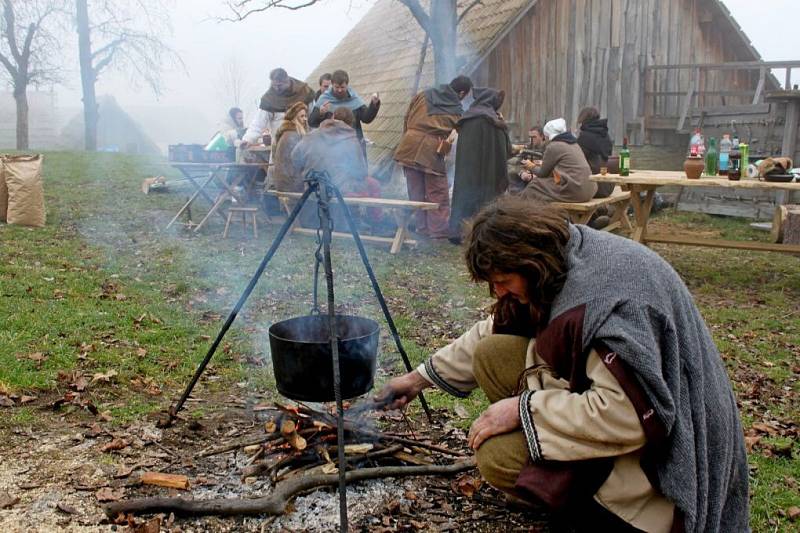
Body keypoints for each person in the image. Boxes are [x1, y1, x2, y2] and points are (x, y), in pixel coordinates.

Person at [378, 196, 749, 533]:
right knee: (492, 354)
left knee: (497, 457)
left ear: (529, 262)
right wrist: (416, 379)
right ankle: (564, 481)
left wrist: (524, 409)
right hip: (628, 407)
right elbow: (489, 330)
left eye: (504, 280)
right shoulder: (564, 257)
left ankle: (593, 509)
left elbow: (629, 417)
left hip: (667, 459)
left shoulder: (602, 303)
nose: (499, 292)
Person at [394, 75, 473, 239]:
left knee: (415, 192)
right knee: (437, 193)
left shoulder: (424, 94)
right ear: (462, 93)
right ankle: (438, 232)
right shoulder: (457, 109)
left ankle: (422, 229)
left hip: (408, 146)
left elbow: (406, 117)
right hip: (430, 151)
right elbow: (462, 131)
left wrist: (407, 138)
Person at [449, 88, 511, 244]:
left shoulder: (467, 119)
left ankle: (460, 232)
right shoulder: (496, 122)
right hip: (489, 172)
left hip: (467, 171)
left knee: (466, 196)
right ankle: (484, 234)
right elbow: (507, 150)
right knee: (487, 198)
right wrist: (504, 125)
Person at [519, 118, 597, 203]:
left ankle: (521, 211)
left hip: (576, 191)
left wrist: (531, 166)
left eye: (546, 136)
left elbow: (542, 174)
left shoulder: (553, 146)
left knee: (534, 185)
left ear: (548, 135)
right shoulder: (574, 144)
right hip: (590, 189)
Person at [308, 69, 380, 152]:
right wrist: (320, 113)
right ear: (332, 85)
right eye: (336, 87)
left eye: (342, 87)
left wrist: (374, 104)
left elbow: (366, 118)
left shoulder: (354, 98)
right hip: (331, 149)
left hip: (354, 147)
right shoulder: (324, 99)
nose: (339, 90)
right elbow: (311, 122)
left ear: (347, 85)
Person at [241, 68, 315, 148]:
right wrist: (248, 139)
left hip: (302, 144)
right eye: (274, 85)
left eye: (279, 85)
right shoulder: (269, 99)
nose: (276, 88)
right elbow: (258, 123)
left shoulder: (304, 92)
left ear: (287, 80)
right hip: (279, 146)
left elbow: (313, 120)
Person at [576, 106, 615, 198]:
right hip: (608, 186)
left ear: (583, 120)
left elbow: (577, 162)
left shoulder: (584, 137)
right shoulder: (605, 135)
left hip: (594, 187)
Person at [271, 102, 308, 193]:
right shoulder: (294, 135)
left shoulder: (285, 133)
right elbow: (301, 163)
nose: (305, 119)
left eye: (305, 116)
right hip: (292, 185)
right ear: (294, 118)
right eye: (301, 116)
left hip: (281, 183)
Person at [507, 126, 545, 194]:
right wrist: (521, 173)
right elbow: (517, 163)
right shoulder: (527, 148)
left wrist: (536, 175)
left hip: (540, 179)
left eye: (534, 137)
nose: (531, 140)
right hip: (526, 177)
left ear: (542, 136)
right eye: (530, 137)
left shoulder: (549, 149)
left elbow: (550, 168)